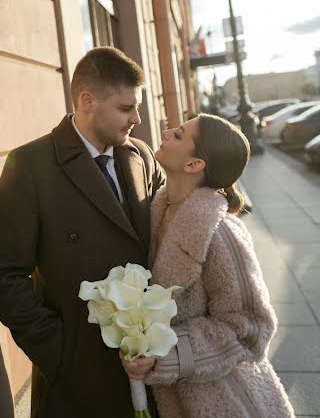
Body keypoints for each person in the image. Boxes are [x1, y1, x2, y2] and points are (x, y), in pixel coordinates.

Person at [0, 47, 165, 418]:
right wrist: (60, 353)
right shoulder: (30, 166)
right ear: (87, 101)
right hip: (79, 380)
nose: (137, 119)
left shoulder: (140, 156)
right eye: (126, 108)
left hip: (149, 368)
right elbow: (2, 275)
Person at [121, 113, 295, 417]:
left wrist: (167, 354)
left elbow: (251, 327)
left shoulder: (220, 231)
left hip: (225, 401)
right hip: (174, 399)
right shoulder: (156, 213)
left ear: (193, 164)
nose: (165, 132)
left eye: (178, 135)